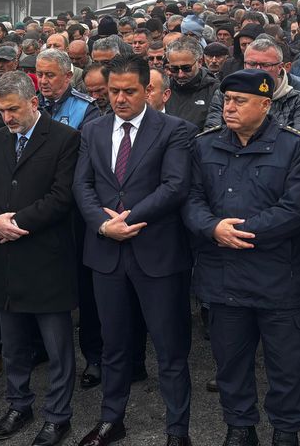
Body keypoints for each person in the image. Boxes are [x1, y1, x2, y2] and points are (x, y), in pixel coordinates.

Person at [184, 70, 300, 446]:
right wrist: (212, 228)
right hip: (223, 275)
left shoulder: (296, 146)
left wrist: (239, 231)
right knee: (229, 361)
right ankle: (240, 426)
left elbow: (296, 208)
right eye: (226, 100)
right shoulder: (204, 145)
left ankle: (286, 430)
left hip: (279, 279)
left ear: (265, 104)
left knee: (288, 365)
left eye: (239, 101)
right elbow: (191, 199)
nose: (229, 107)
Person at [73, 54, 196, 446]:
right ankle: (112, 419)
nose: (120, 99)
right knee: (114, 344)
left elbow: (175, 186)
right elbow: (83, 186)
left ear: (148, 90)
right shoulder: (92, 130)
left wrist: (127, 218)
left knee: (170, 348)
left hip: (157, 253)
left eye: (129, 91)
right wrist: (102, 223)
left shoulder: (175, 130)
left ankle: (177, 430)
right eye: (113, 91)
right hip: (107, 253)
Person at [0, 72, 80, 446]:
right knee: (13, 344)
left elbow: (61, 196)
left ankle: (58, 415)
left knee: (57, 347)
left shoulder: (66, 139)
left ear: (34, 103)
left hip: (46, 258)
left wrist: (15, 223)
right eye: (2, 110)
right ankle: (18, 404)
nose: (7, 118)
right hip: (5, 258)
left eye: (14, 109)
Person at [206, 38, 300, 137]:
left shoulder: (298, 101)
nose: (258, 69)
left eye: (265, 65)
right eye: (251, 64)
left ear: (280, 67)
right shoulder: (224, 94)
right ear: (244, 65)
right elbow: (212, 136)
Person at [165, 38, 219, 130]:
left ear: (199, 62)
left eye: (186, 68)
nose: (180, 74)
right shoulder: (164, 87)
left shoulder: (215, 89)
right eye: (174, 69)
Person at [37, 49, 99, 129]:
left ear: (68, 76)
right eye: (39, 75)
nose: (43, 81)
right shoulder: (29, 103)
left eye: (50, 75)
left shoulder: (85, 108)